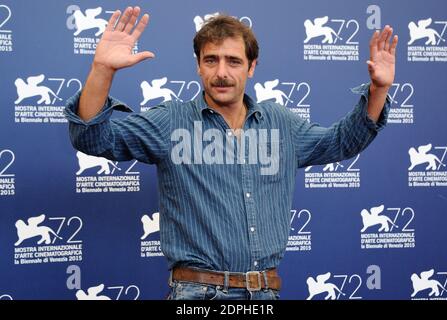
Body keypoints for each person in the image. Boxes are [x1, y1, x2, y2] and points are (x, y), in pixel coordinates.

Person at [64, 6, 398, 300]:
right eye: (211, 60)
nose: (222, 72)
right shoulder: (172, 121)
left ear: (251, 67)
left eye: (234, 61)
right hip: (198, 295)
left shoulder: (280, 124)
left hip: (264, 292)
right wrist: (102, 70)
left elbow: (342, 141)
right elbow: (92, 139)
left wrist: (379, 90)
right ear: (198, 65)